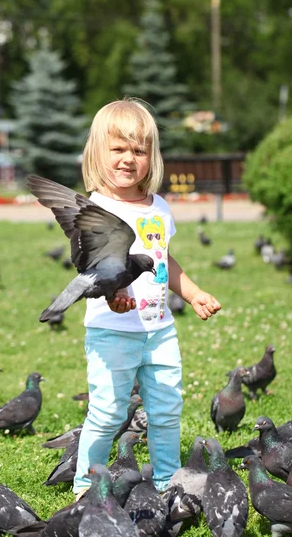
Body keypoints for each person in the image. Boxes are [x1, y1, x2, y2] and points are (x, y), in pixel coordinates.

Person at [73, 98, 221, 498]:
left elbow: (162, 259)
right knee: (107, 413)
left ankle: (167, 480)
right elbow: (93, 267)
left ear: (151, 156)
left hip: (160, 330)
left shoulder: (158, 206)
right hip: (112, 332)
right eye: (117, 149)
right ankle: (88, 483)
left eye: (139, 150)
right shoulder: (95, 207)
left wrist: (192, 292)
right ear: (97, 153)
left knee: (166, 410)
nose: (128, 159)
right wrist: (113, 296)